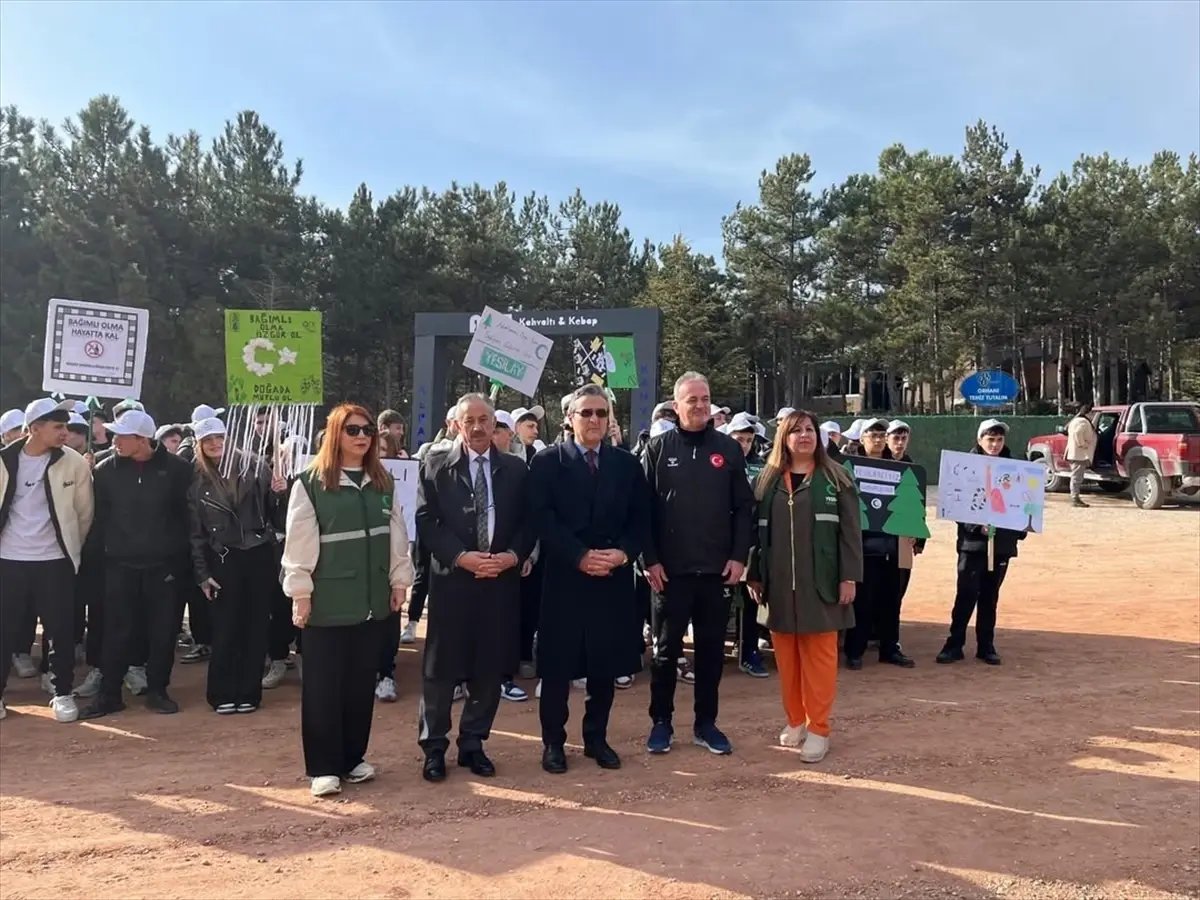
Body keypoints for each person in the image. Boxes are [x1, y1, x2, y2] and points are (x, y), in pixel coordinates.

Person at [281, 404, 413, 798]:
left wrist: (399, 581)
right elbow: (298, 546)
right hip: (327, 602)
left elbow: (397, 537)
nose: (362, 436)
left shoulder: (382, 481)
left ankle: (353, 758)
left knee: (359, 684)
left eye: (368, 430)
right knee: (323, 687)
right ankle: (323, 767)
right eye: (353, 429)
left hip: (372, 601)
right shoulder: (310, 482)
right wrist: (300, 594)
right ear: (336, 433)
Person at [528, 385, 650, 773]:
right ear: (570, 418)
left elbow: (642, 519)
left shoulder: (627, 464)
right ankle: (553, 743)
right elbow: (541, 519)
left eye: (601, 412)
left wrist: (623, 553)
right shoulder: (547, 463)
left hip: (611, 577)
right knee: (558, 665)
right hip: (565, 577)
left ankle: (596, 738)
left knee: (604, 663)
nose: (594, 420)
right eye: (586, 413)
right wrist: (579, 556)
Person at [414, 394, 534, 782]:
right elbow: (426, 520)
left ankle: (473, 744)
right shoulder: (435, 466)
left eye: (486, 420)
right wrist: (461, 556)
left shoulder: (516, 470)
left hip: (500, 581)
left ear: (496, 426)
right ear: (457, 425)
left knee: (489, 666)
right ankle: (434, 747)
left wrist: (512, 556)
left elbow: (529, 522)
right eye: (471, 421)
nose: (479, 427)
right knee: (440, 669)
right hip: (453, 581)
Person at [642, 372, 755, 756]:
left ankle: (706, 723)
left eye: (705, 399)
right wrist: (650, 560)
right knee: (665, 652)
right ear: (677, 406)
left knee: (710, 652)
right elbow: (642, 510)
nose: (700, 405)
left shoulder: (728, 449)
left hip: (715, 572)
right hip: (668, 574)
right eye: (692, 400)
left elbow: (744, 509)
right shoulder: (657, 449)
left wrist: (739, 557)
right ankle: (662, 722)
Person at [747, 410, 862, 763]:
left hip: (823, 586)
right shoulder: (766, 482)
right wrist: (754, 574)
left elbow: (851, 533)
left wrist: (849, 576)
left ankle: (819, 729)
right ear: (784, 437)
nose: (804, 436)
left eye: (809, 429)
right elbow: (754, 535)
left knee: (820, 661)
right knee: (787, 660)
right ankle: (795, 721)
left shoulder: (837, 478)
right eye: (795, 431)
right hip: (779, 587)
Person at [79, 410, 193, 719]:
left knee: (163, 631)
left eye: (122, 435)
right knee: (116, 631)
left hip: (165, 567)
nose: (114, 440)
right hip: (119, 566)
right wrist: (92, 565)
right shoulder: (104, 471)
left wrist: (184, 562)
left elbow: (188, 518)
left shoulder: (178, 470)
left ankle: (158, 691)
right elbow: (98, 522)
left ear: (142, 440)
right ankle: (109, 694)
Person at [0, 399, 95, 722]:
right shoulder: (4, 460)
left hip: (55, 561)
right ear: (34, 428)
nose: (64, 433)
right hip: (8, 560)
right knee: (5, 630)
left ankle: (61, 691)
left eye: (66, 427)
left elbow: (84, 514)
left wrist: (70, 551)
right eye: (57, 427)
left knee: (61, 630)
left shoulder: (74, 463)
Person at [188, 418, 288, 714]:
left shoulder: (257, 467)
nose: (215, 444)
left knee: (256, 626)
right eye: (208, 440)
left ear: (229, 438)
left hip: (258, 555)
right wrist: (202, 574)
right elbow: (196, 534)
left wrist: (279, 492)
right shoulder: (197, 481)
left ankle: (249, 692)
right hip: (222, 559)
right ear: (200, 445)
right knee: (225, 627)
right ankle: (221, 693)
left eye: (219, 437)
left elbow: (278, 516)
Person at [937, 420, 1027, 666]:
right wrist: (977, 527)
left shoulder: (1016, 468)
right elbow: (956, 505)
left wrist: (1019, 530)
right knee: (966, 595)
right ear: (980, 440)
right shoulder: (964, 468)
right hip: (972, 546)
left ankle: (986, 646)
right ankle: (954, 645)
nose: (995, 444)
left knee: (990, 597)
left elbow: (1023, 506)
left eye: (999, 439)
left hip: (1001, 547)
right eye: (990, 439)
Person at [843, 418, 914, 671]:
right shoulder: (848, 468)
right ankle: (854, 651)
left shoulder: (900, 466)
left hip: (893, 547)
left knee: (891, 601)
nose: (878, 438)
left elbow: (911, 505)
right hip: (863, 547)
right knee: (862, 602)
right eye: (872, 434)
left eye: (881, 434)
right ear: (862, 438)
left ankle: (890, 648)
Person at [724, 412, 770, 678]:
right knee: (720, 604)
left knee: (752, 602)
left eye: (748, 439)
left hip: (752, 545)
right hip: (720, 546)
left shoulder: (762, 469)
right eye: (738, 438)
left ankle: (749, 650)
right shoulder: (716, 463)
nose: (743, 444)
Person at [1066, 403, 1097, 508]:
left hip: (1075, 453)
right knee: (1076, 477)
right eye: (1092, 413)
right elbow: (1077, 433)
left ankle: (1075, 497)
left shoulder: (1076, 421)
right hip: (1079, 454)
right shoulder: (1083, 422)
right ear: (1088, 413)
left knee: (1076, 476)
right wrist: (1083, 444)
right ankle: (1075, 498)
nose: (1093, 415)